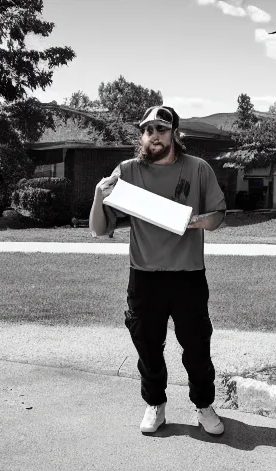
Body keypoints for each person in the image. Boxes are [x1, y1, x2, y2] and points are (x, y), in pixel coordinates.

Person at [89, 105, 227, 436]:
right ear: (143, 135)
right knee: (148, 347)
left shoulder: (198, 169)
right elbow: (99, 229)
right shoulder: (127, 171)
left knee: (196, 347)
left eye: (161, 130)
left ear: (175, 134)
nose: (154, 136)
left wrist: (190, 221)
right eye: (148, 130)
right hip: (145, 277)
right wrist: (98, 194)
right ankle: (155, 404)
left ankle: (203, 404)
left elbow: (218, 215)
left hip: (188, 275)